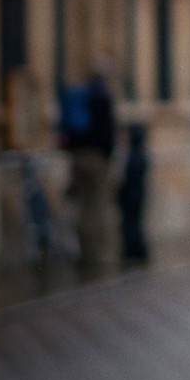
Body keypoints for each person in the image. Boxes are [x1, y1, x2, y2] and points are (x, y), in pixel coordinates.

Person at [60, 69, 116, 267]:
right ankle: (96, 255)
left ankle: (83, 251)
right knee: (97, 206)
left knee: (83, 205)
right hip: (97, 159)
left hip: (77, 157)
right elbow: (108, 136)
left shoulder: (80, 99)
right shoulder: (103, 100)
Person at [117, 123, 150, 263]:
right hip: (137, 195)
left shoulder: (134, 156)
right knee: (135, 223)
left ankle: (134, 251)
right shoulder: (141, 154)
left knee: (131, 224)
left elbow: (129, 179)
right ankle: (138, 250)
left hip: (132, 196)